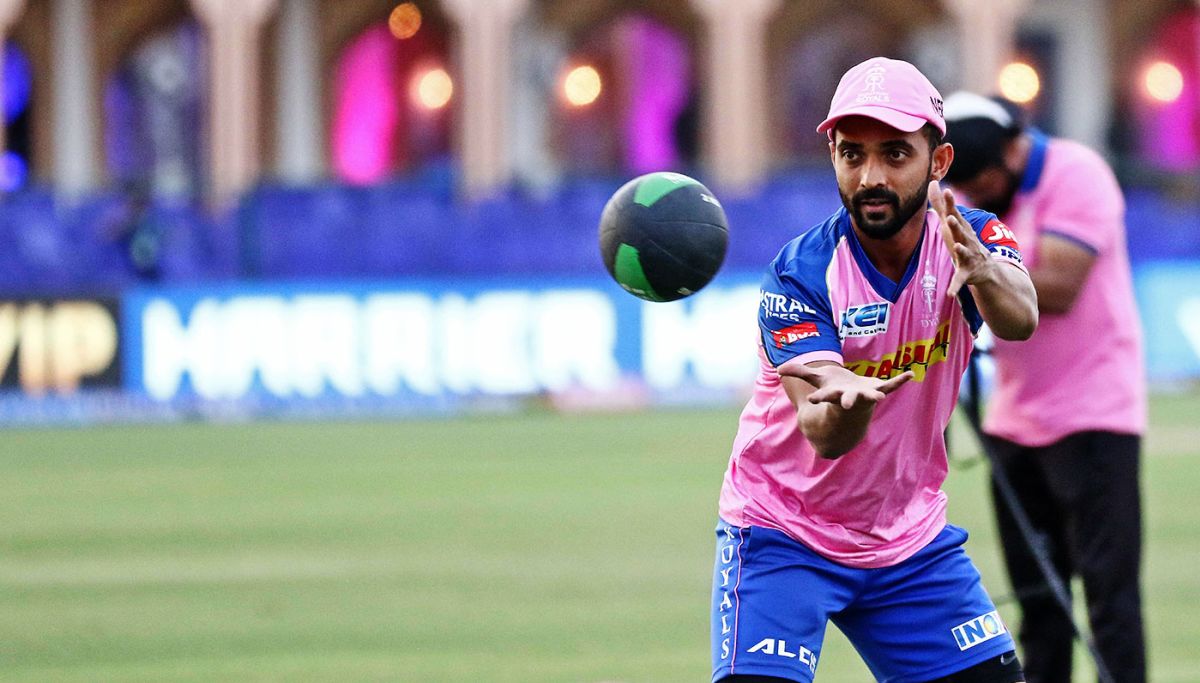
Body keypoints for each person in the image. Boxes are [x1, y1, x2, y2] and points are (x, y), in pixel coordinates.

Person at [710, 56, 1038, 683]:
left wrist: (986, 277)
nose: (870, 177)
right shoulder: (800, 272)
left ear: (937, 163)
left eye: (894, 154)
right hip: (783, 532)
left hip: (907, 540)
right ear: (832, 155)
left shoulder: (972, 237)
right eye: (852, 154)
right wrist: (848, 401)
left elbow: (1021, 318)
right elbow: (823, 434)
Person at [943, 91, 1147, 683]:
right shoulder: (966, 195)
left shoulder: (1076, 173)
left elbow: (1058, 285)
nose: (976, 201)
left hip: (1094, 416)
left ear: (1012, 149)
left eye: (983, 184)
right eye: (966, 190)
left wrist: (979, 264)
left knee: (1111, 602)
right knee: (1039, 606)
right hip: (1014, 419)